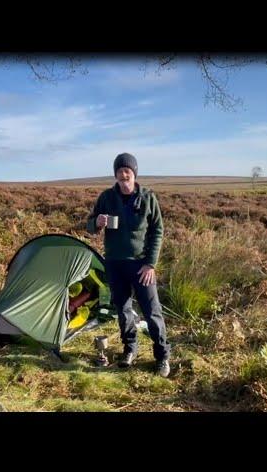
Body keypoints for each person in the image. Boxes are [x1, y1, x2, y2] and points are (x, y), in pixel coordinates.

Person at [86, 153, 171, 377]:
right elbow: (89, 225)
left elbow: (157, 231)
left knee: (152, 311)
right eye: (120, 171)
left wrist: (150, 264)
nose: (124, 175)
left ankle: (162, 356)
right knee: (123, 311)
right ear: (115, 174)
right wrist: (97, 222)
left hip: (141, 266)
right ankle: (130, 349)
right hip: (115, 264)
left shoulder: (147, 198)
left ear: (134, 174)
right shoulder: (106, 197)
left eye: (128, 171)